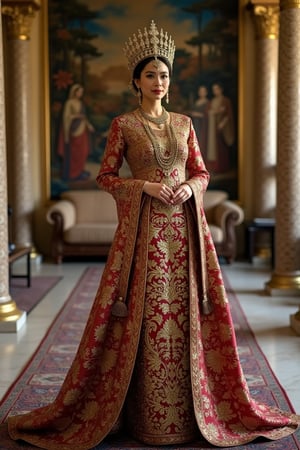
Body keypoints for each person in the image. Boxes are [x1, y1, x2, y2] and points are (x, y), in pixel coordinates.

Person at [6, 20, 300, 450]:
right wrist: (141, 186)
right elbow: (105, 177)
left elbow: (201, 171)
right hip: (143, 236)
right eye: (150, 75)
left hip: (185, 233)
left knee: (185, 317)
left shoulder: (184, 124)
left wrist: (191, 187)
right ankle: (142, 414)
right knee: (147, 316)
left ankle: (191, 410)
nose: (158, 82)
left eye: (163, 74)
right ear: (136, 81)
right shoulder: (123, 125)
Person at [57, 83, 94, 181]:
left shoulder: (80, 103)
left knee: (83, 151)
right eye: (79, 91)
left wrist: (88, 125)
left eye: (82, 92)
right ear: (74, 92)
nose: (80, 93)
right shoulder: (69, 103)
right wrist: (76, 116)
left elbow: (84, 116)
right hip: (73, 130)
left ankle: (80, 171)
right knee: (75, 153)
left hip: (82, 130)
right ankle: (73, 174)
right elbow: (66, 117)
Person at [206, 82, 235, 174]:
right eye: (214, 89)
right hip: (212, 127)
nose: (215, 91)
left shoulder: (225, 100)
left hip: (221, 127)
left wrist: (222, 123)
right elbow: (208, 112)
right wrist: (216, 111)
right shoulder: (212, 101)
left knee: (221, 147)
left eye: (217, 89)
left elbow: (228, 114)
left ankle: (222, 167)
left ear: (221, 89)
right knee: (213, 147)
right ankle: (213, 167)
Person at [189, 84, 210, 158]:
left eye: (203, 91)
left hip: (203, 125)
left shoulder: (207, 102)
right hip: (196, 123)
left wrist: (197, 114)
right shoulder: (197, 101)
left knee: (202, 141)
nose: (201, 92)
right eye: (200, 91)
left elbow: (207, 115)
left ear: (206, 92)